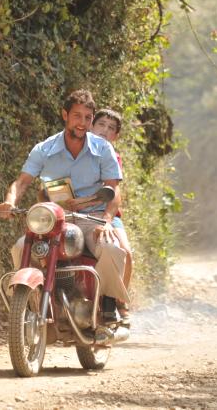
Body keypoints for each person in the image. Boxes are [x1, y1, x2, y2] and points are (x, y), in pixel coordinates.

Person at [0, 90, 129, 318]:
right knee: (21, 247)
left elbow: (113, 190)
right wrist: (9, 202)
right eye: (77, 116)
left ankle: (108, 303)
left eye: (88, 118)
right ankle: (33, 305)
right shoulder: (44, 149)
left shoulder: (103, 148)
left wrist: (106, 221)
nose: (83, 123)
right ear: (64, 115)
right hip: (55, 219)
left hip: (92, 218)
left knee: (111, 248)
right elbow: (22, 182)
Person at [90, 109, 133, 322]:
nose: (105, 131)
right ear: (91, 126)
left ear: (116, 136)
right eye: (101, 125)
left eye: (111, 128)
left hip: (107, 215)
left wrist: (107, 217)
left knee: (125, 251)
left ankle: (118, 296)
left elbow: (114, 191)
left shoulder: (112, 157)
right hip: (77, 212)